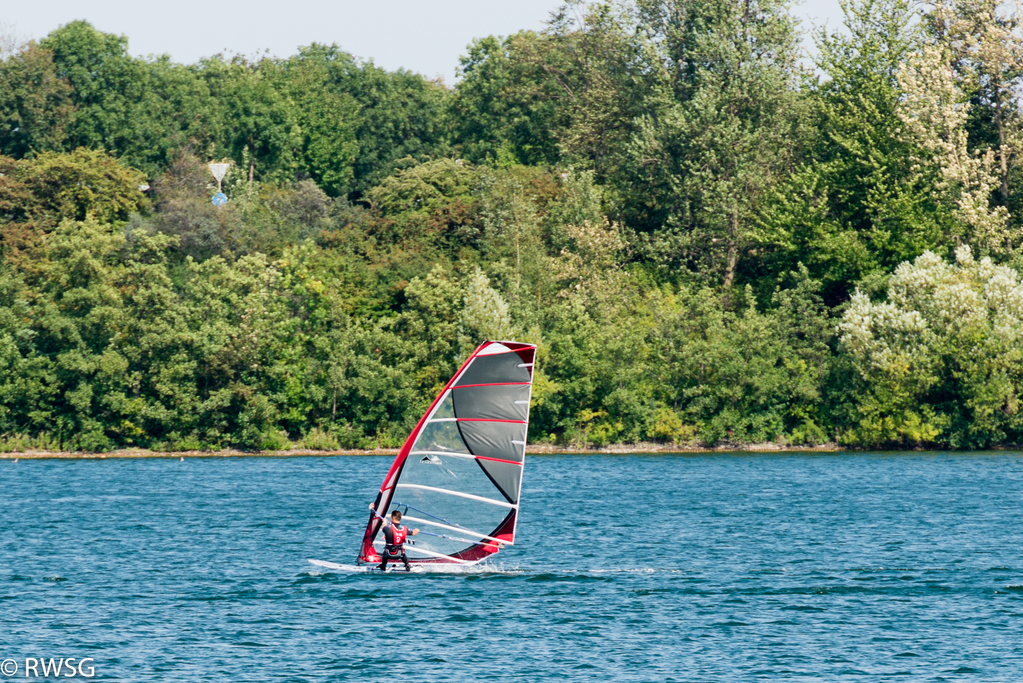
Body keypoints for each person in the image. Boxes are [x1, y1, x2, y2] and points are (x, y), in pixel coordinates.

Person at [369, 505, 419, 571]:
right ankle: (407, 564)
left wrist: (384, 522)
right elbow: (413, 533)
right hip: (399, 555)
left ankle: (383, 565)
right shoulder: (404, 529)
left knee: (385, 552)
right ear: (400, 518)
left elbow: (383, 528)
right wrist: (417, 530)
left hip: (388, 554)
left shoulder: (389, 528)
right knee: (402, 553)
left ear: (392, 518)